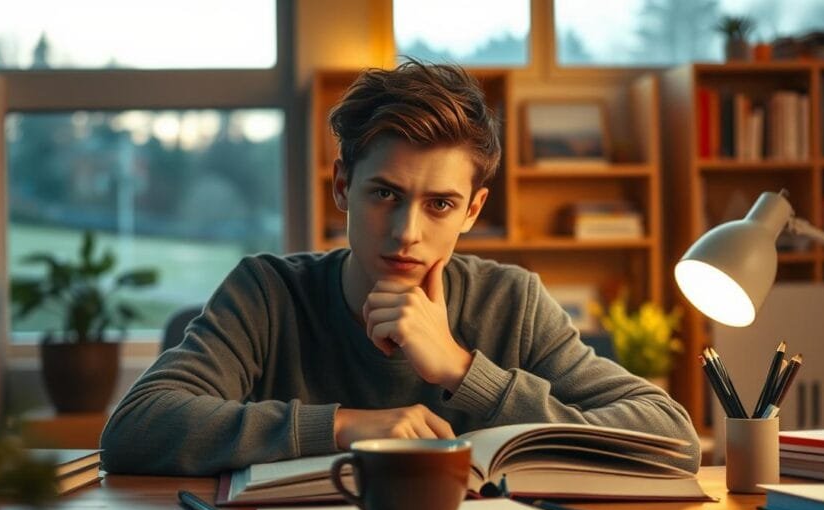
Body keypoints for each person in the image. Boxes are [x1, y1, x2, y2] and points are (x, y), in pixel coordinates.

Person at [100, 60, 700, 475]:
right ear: (342, 186)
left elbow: (671, 437)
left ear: (472, 210)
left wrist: (462, 369)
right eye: (385, 193)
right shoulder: (268, 293)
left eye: (440, 204)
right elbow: (136, 427)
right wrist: (344, 427)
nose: (407, 232)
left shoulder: (511, 301)